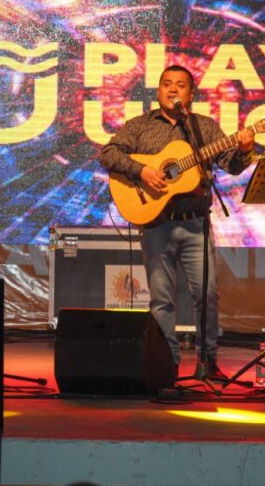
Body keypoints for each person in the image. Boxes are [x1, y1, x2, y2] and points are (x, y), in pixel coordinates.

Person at [99, 65, 255, 377]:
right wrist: (142, 171)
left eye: (180, 85)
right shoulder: (140, 126)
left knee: (207, 296)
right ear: (158, 91)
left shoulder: (203, 127)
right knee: (161, 300)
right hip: (156, 224)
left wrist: (245, 149)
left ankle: (207, 362)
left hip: (196, 224)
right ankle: (166, 364)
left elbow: (232, 165)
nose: (173, 89)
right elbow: (108, 154)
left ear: (190, 94)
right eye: (167, 84)